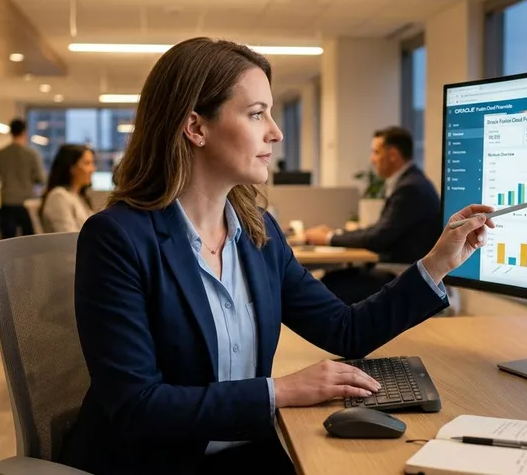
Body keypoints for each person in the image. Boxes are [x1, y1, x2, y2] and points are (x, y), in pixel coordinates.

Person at [60, 37, 495, 475]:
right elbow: (136, 406)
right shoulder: (117, 238)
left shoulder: (258, 233)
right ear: (196, 127)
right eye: (256, 114)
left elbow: (345, 329)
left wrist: (437, 263)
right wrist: (280, 391)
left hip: (247, 452)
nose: (275, 131)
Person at [303, 126, 443, 304]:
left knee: (329, 285)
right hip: (400, 270)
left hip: (402, 274)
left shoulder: (410, 188)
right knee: (331, 280)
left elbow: (378, 238)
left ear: (393, 154)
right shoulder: (411, 181)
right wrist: (335, 234)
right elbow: (379, 230)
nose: (372, 159)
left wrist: (329, 238)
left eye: (376, 152)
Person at [0, 118, 46, 238]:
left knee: (7, 241)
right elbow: (41, 179)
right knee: (28, 241)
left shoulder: (0, 154)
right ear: (24, 132)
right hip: (27, 203)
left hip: (7, 201)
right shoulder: (32, 154)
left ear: (10, 132)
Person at [39, 144, 95, 233]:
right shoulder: (58, 196)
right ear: (71, 167)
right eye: (87, 163)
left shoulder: (79, 196)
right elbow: (68, 237)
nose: (92, 169)